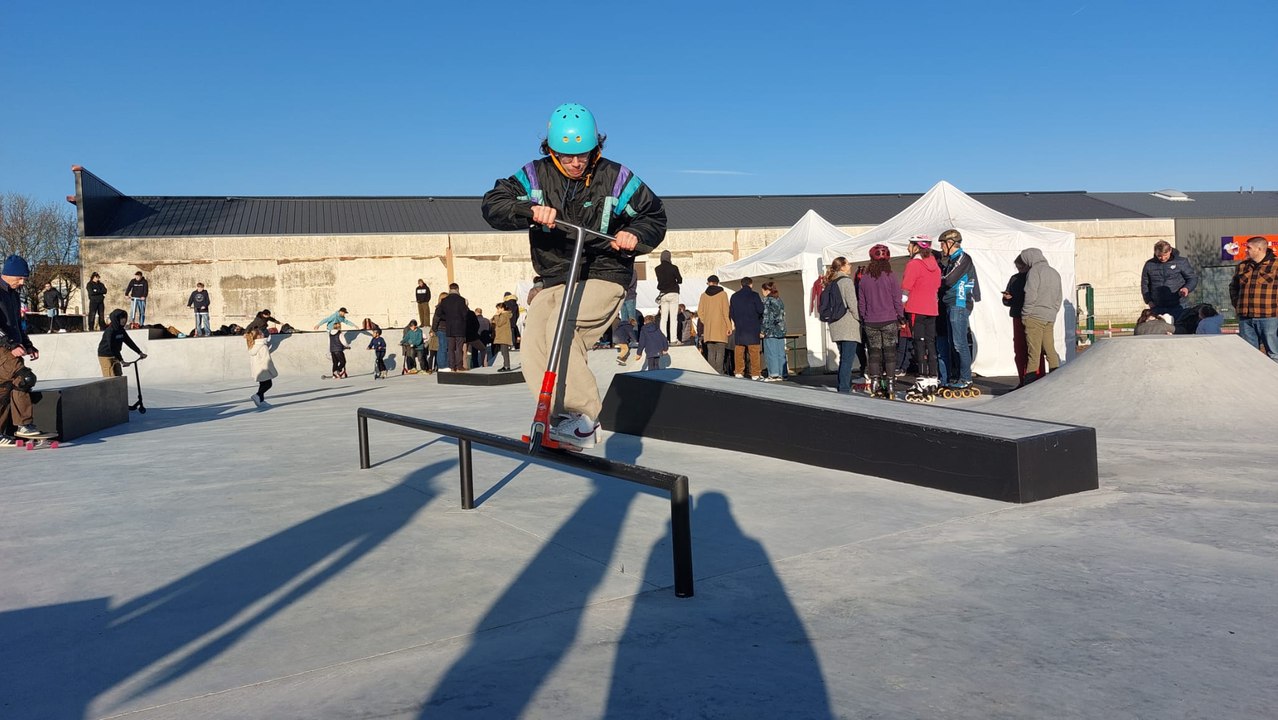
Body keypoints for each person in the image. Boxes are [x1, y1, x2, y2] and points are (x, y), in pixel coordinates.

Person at [481, 102, 666, 449]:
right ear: (551, 152)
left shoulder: (617, 177)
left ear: (595, 148)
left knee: (561, 326)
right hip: (556, 275)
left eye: (583, 154)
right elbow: (493, 203)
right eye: (566, 157)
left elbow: (654, 215)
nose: (576, 163)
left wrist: (635, 235)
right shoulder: (534, 176)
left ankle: (583, 417)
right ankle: (559, 417)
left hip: (605, 271)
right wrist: (529, 210)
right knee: (535, 334)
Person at [0, 255, 44, 440]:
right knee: (24, 378)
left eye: (24, 279)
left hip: (11, 345)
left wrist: (28, 344)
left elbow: (18, 324)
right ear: (8, 274)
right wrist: (10, 345)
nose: (22, 282)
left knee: (4, 389)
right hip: (3, 347)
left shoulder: (14, 295)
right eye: (19, 278)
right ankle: (24, 425)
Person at [856, 244, 905, 397]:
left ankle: (875, 382)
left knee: (874, 353)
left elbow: (861, 302)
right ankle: (890, 384)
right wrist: (901, 316)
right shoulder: (891, 276)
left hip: (871, 321)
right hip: (889, 319)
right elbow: (897, 299)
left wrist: (864, 317)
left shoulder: (864, 279)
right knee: (890, 353)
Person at [938, 229, 980, 390]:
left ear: (950, 243)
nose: (941, 247)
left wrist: (936, 279)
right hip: (950, 302)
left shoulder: (963, 258)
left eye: (942, 244)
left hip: (959, 302)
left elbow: (949, 280)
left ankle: (966, 377)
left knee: (959, 343)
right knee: (952, 342)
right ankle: (958, 376)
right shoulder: (950, 260)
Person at [901, 236, 941, 398]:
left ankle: (922, 377)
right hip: (932, 308)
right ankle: (933, 375)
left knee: (919, 342)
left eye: (909, 245)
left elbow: (906, 287)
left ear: (916, 247)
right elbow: (938, 284)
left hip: (916, 307)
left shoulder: (914, 264)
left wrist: (900, 306)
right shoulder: (935, 265)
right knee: (930, 342)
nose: (907, 249)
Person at [1017, 248, 1063, 384]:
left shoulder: (1034, 272)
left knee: (1034, 353)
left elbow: (1030, 294)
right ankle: (1057, 380)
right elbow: (1058, 297)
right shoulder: (1054, 272)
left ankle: (1030, 383)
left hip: (1034, 317)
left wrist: (1025, 314)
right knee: (1050, 350)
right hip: (1049, 317)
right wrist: (1053, 312)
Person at [1229, 236, 1278, 360]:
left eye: (1249, 248)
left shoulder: (1275, 265)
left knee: (1274, 353)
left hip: (1269, 317)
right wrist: (1237, 303)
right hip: (1245, 318)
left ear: (1260, 248)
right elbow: (1233, 287)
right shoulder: (1242, 266)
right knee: (1249, 356)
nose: (1246, 251)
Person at [1002, 257, 1047, 386]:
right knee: (1020, 349)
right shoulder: (1014, 278)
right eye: (1018, 267)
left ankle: (1038, 379)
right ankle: (1023, 381)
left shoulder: (1034, 276)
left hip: (1033, 316)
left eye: (1021, 267)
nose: (1019, 270)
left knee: (1034, 348)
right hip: (1018, 316)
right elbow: (1007, 299)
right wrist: (1007, 298)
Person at [823, 257, 861, 394]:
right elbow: (853, 304)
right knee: (847, 359)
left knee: (843, 357)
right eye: (848, 264)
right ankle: (844, 386)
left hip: (835, 324)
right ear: (843, 267)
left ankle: (842, 384)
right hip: (848, 324)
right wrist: (859, 319)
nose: (850, 266)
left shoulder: (830, 282)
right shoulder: (846, 281)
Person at [1141, 240, 1198, 326]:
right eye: (1159, 256)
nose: (1163, 258)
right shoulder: (1149, 265)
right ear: (1155, 253)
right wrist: (1148, 300)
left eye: (1165, 255)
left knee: (1180, 329)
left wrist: (1187, 288)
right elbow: (1145, 284)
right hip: (1157, 306)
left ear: (1170, 251)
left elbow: (1192, 278)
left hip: (1178, 304)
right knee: (1159, 331)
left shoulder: (1181, 262)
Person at [727, 276, 764, 380]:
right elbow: (761, 310)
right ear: (751, 284)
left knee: (739, 351)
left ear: (741, 285)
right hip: (753, 328)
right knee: (754, 352)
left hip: (740, 328)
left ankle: (738, 372)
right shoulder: (755, 295)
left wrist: (737, 322)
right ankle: (755, 374)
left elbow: (731, 313)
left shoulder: (734, 296)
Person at [97, 308, 146, 377]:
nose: (124, 320)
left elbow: (129, 342)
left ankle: (118, 387)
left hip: (115, 355)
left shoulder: (121, 330)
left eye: (125, 318)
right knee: (110, 376)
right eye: (122, 318)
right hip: (105, 355)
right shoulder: (110, 331)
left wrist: (139, 352)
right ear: (116, 319)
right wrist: (121, 360)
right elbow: (112, 346)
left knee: (118, 374)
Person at [433, 284, 470, 372]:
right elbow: (465, 314)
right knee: (459, 348)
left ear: (449, 289)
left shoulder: (445, 300)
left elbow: (438, 313)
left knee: (450, 348)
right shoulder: (462, 300)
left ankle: (452, 366)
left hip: (449, 328)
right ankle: (459, 366)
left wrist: (447, 317)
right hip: (460, 327)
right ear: (457, 289)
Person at [699, 275, 731, 374]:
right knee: (720, 352)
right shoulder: (723, 294)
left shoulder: (703, 295)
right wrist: (729, 326)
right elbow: (726, 312)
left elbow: (700, 312)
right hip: (721, 327)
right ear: (717, 282)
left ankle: (712, 372)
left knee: (711, 352)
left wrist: (706, 321)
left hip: (709, 329)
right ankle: (719, 372)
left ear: (709, 282)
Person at [760, 281, 787, 382]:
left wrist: (763, 330)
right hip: (781, 330)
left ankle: (773, 374)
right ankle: (782, 373)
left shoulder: (767, 301)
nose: (762, 292)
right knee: (781, 352)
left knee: (771, 353)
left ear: (767, 290)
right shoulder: (779, 300)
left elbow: (766, 317)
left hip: (770, 331)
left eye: (763, 290)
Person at [654, 249, 682, 342]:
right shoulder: (674, 267)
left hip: (663, 294)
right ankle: (673, 339)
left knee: (663, 318)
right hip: (673, 292)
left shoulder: (657, 269)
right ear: (669, 257)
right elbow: (680, 280)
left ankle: (663, 339)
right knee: (673, 318)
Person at [247, 329, 277, 407]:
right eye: (261, 333)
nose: (263, 334)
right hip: (264, 368)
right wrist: (273, 371)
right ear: (259, 336)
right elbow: (267, 360)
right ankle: (257, 395)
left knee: (262, 384)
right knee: (268, 384)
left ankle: (261, 401)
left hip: (257, 369)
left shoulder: (253, 346)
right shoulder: (263, 346)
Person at [491, 303, 514, 372]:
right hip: (502, 335)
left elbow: (499, 323)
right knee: (504, 352)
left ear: (502, 308)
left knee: (505, 352)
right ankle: (505, 365)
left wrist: (496, 315)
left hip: (504, 336)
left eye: (498, 308)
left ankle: (507, 366)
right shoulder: (503, 315)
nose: (497, 310)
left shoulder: (504, 315)